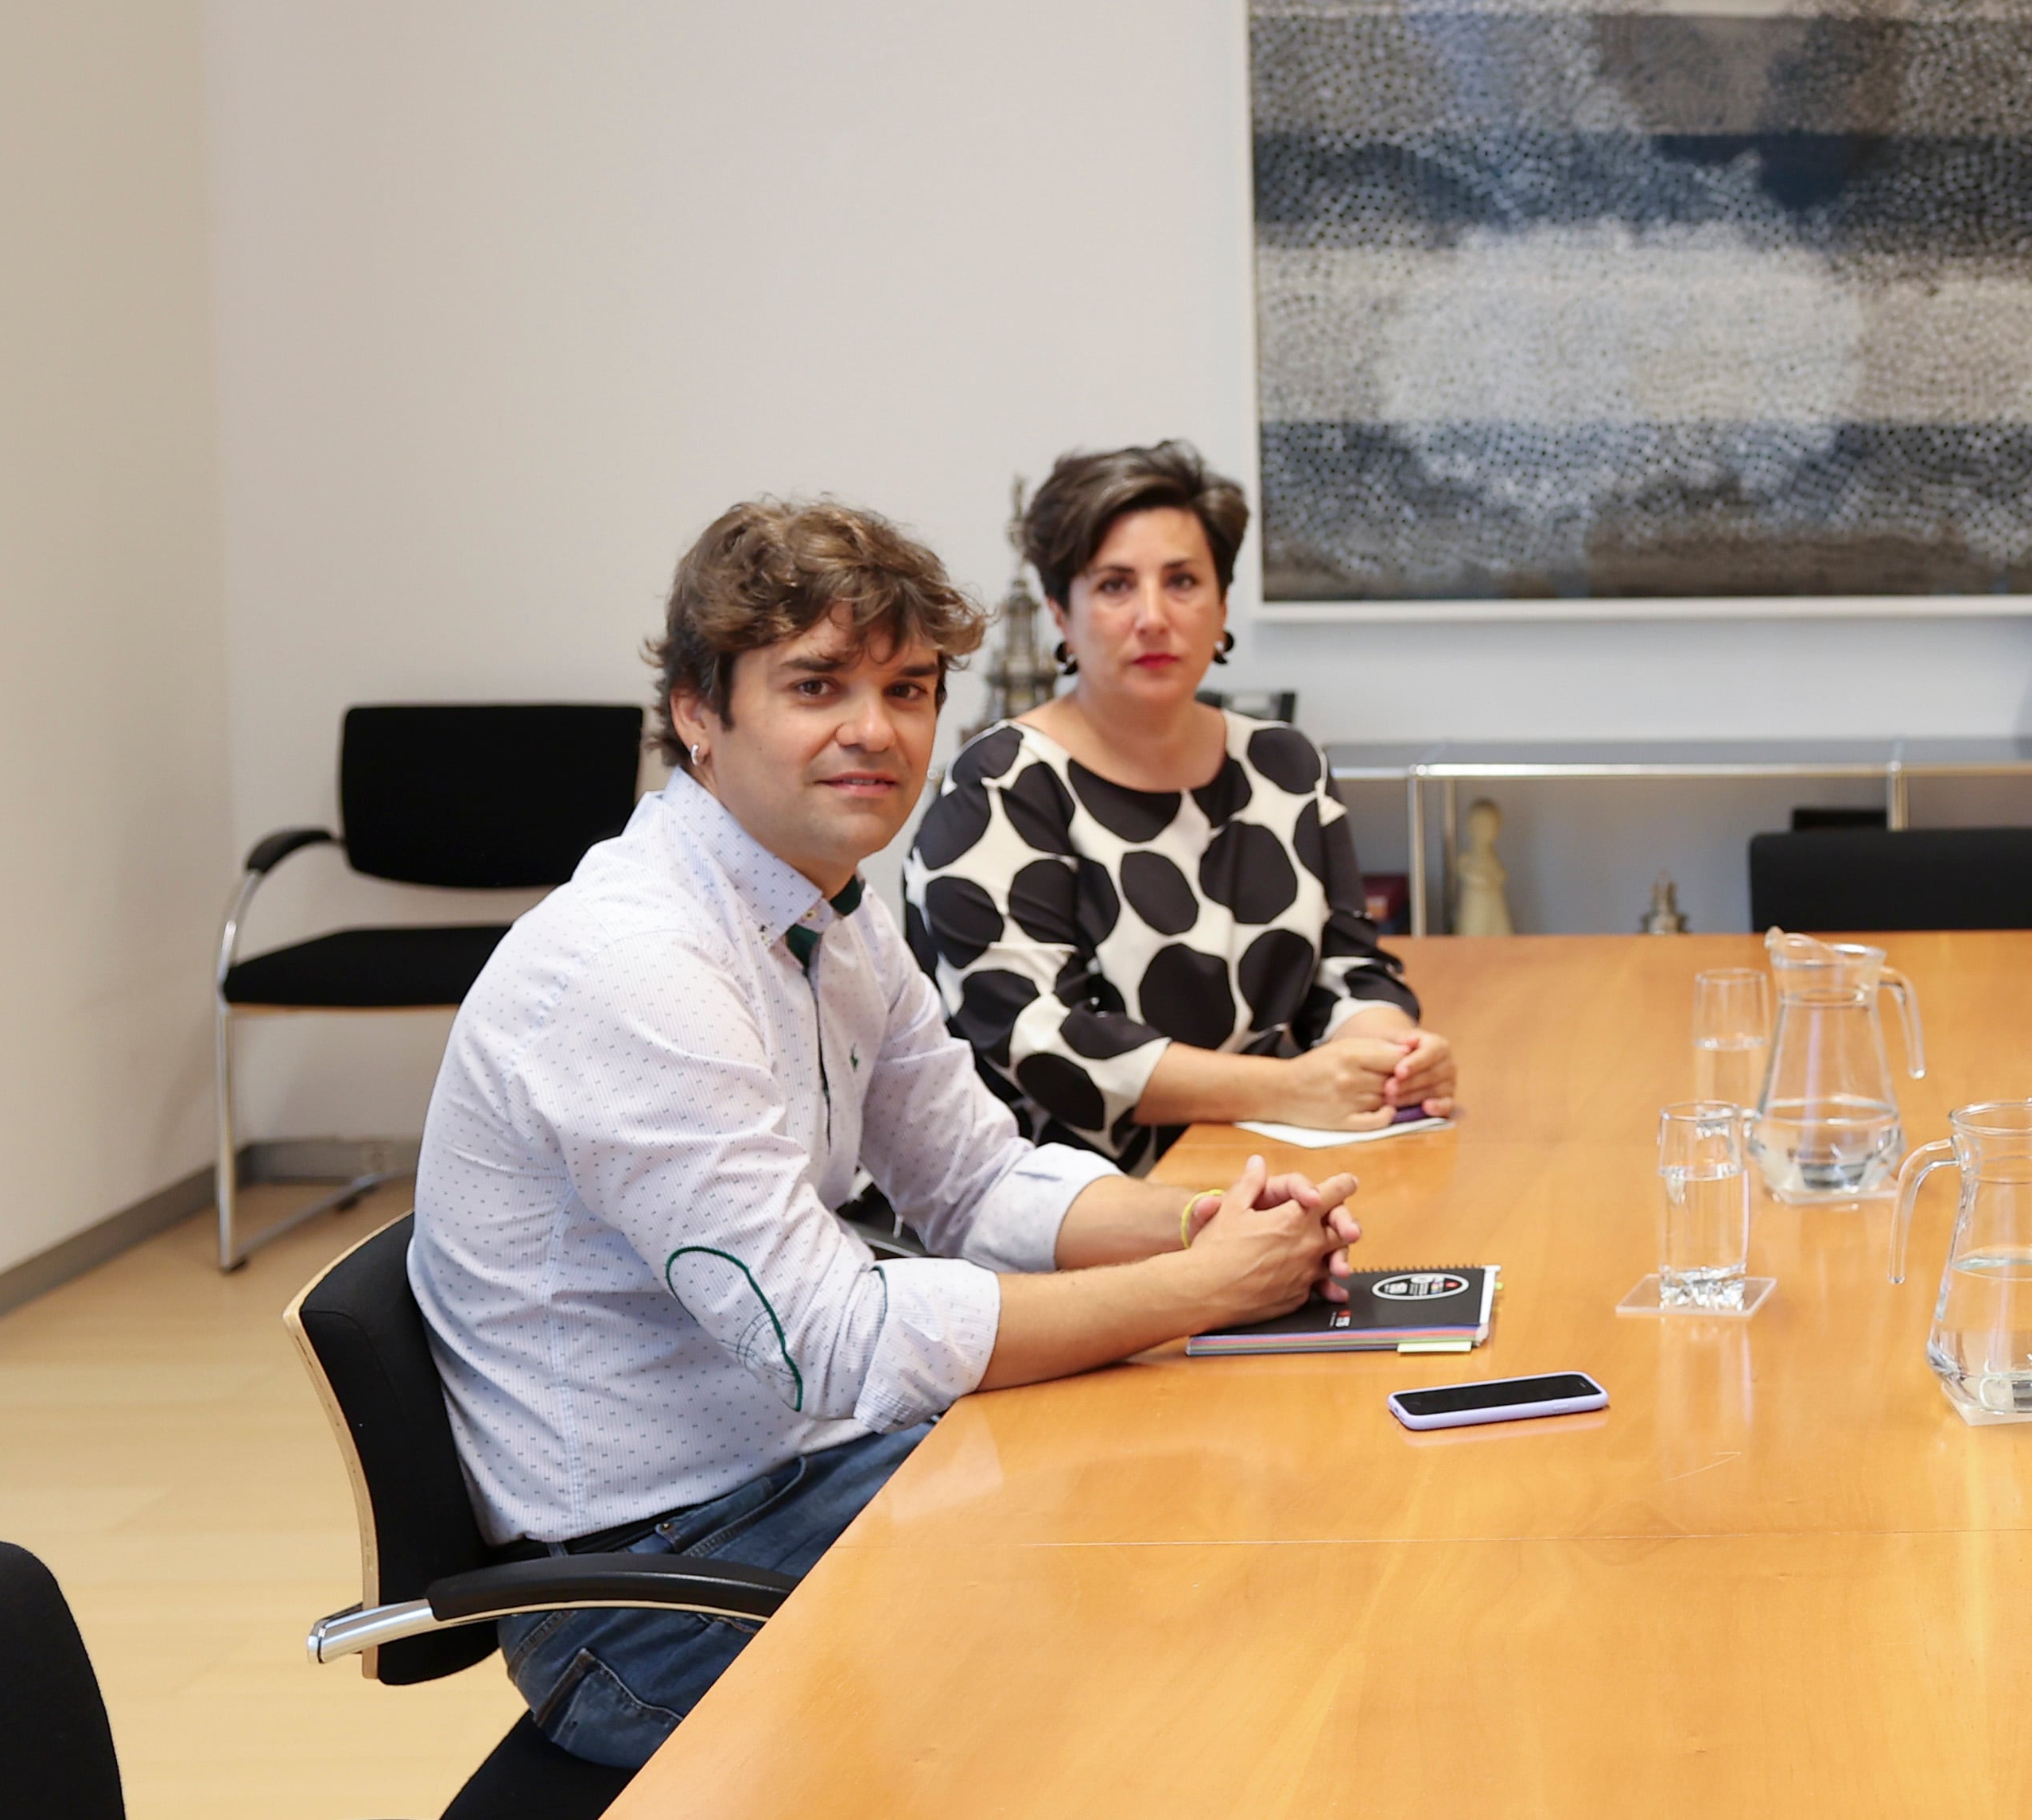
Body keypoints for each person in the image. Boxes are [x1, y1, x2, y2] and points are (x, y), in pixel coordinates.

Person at [414, 500, 1369, 1767]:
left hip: (797, 1483)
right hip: (651, 1595)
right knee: (1168, 1650)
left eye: (908, 688)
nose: (876, 730)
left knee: (1197, 1497)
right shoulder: (633, 966)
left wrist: (1206, 1224)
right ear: (699, 712)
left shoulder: (829, 910)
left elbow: (976, 1181)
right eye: (817, 685)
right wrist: (1190, 1291)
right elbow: (838, 1345)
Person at [909, 442, 1451, 1174]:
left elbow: (1348, 968)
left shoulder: (1286, 766)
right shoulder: (1002, 784)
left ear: (1222, 606)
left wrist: (1392, 1055)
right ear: (1060, 616)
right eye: (1114, 586)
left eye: (1184, 581)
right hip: (1065, 1202)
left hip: (1262, 1167)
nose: (1154, 617)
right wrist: (1288, 1089)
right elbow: (1042, 1043)